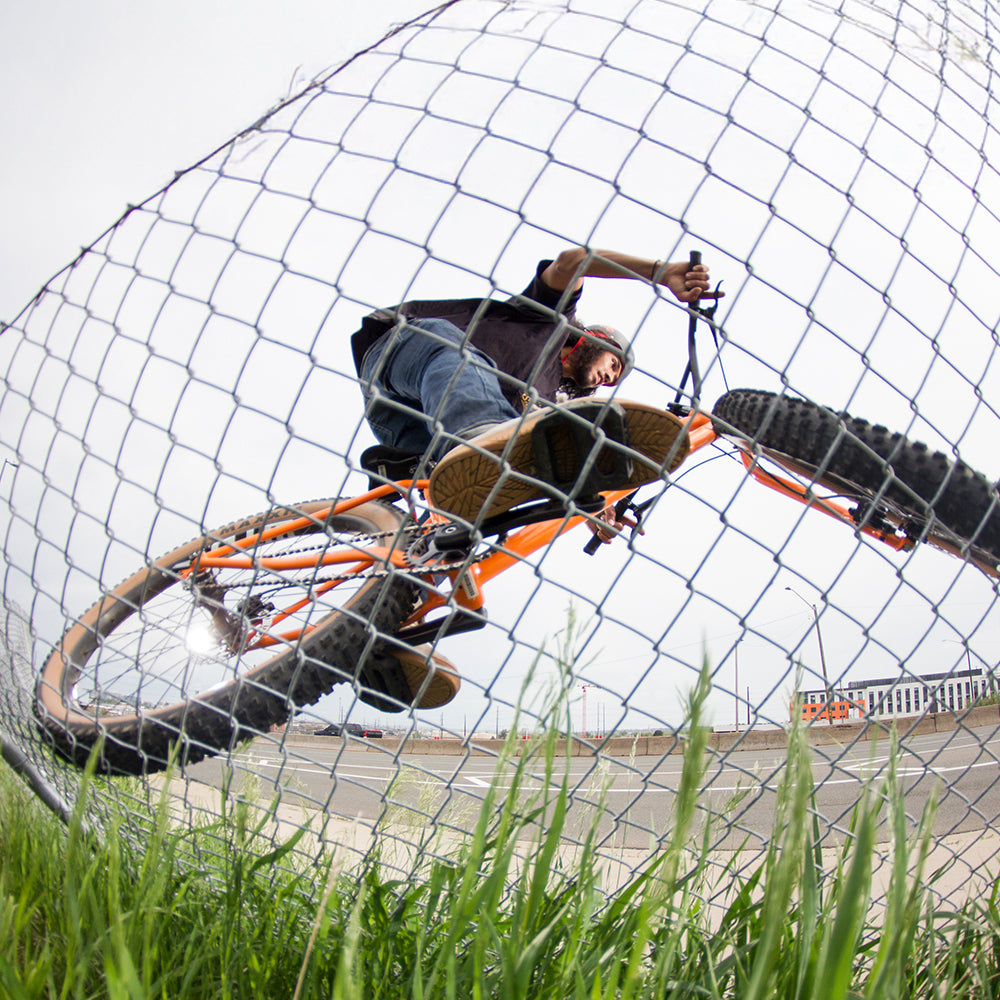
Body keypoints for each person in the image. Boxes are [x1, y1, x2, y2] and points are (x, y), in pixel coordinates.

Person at [351, 246, 713, 534]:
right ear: (594, 338)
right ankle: (475, 443)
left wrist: (596, 507)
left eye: (615, 381)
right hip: (405, 353)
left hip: (414, 430)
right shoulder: (549, 320)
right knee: (458, 356)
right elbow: (575, 261)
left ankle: (409, 565)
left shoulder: (549, 405)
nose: (610, 378)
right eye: (613, 364)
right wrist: (660, 272)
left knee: (521, 443)